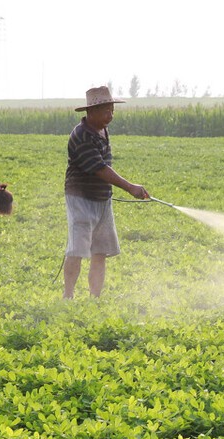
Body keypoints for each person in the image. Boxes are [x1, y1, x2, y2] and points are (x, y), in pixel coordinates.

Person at [63, 86, 150, 298]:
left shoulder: (102, 129)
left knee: (100, 250)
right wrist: (130, 187)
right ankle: (68, 296)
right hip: (80, 199)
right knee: (77, 249)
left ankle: (95, 298)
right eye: (106, 111)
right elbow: (99, 168)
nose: (110, 116)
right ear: (91, 112)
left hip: (102, 200)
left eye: (112, 111)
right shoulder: (81, 135)